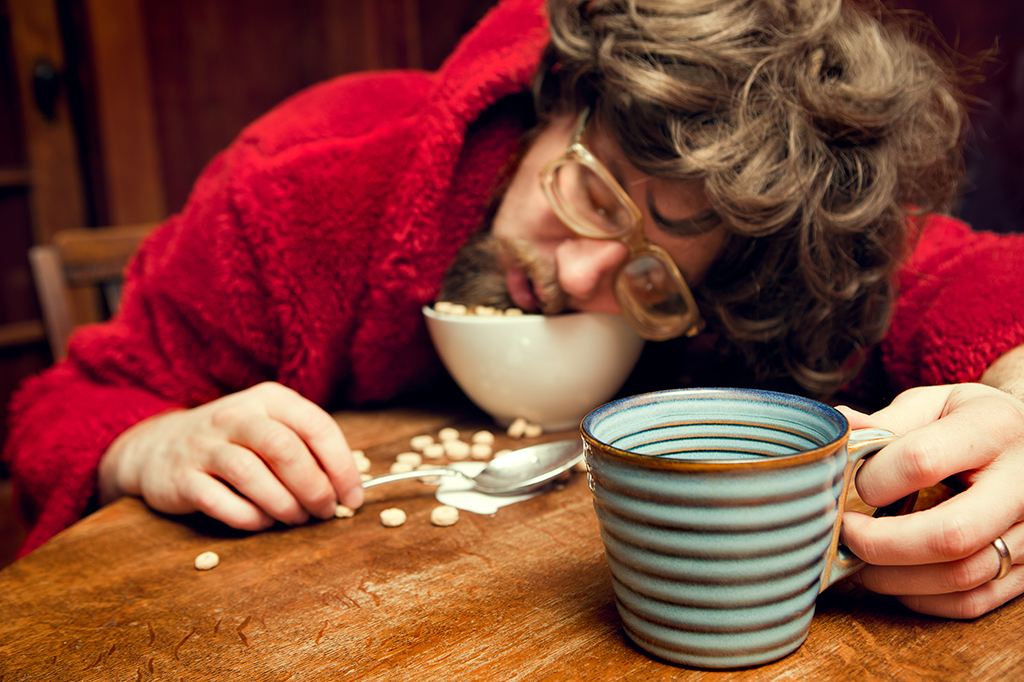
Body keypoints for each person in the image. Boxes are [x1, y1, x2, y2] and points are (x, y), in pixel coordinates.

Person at [4, 0, 1023, 620]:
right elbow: (71, 399)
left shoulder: (753, 273)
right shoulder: (306, 184)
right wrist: (151, 443)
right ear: (558, 99)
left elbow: (969, 285)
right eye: (589, 192)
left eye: (649, 274)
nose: (579, 277)